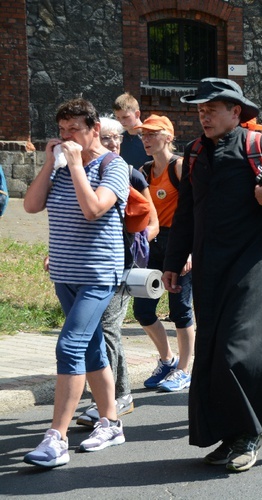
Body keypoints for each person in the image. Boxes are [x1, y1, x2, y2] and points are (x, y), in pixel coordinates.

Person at [163, 78, 262, 472]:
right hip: (208, 267)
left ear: (236, 112)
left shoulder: (258, 146)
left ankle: (250, 433)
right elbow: (186, 212)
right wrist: (172, 261)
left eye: (211, 109)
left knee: (237, 351)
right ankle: (231, 435)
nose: (204, 116)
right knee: (213, 354)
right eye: (199, 110)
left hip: (251, 266)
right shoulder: (195, 151)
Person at [22, 98, 130, 467]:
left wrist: (77, 164)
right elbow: (31, 206)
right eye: (62, 130)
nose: (67, 137)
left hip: (99, 274)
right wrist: (51, 161)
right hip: (66, 273)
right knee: (91, 348)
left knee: (69, 346)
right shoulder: (61, 166)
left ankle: (57, 438)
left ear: (94, 129)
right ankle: (111, 422)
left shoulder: (114, 166)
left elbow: (93, 209)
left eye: (75, 130)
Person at [74, 116, 159, 427]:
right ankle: (107, 397)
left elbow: (153, 225)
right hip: (92, 267)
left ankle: (121, 397)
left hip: (123, 267)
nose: (110, 144)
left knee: (108, 328)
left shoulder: (132, 175)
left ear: (122, 142)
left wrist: (129, 244)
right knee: (94, 330)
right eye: (105, 139)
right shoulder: (85, 174)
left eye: (115, 139)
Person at [132, 114, 196, 392]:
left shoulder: (179, 167)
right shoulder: (143, 171)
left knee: (180, 309)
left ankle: (185, 368)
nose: (146, 140)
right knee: (142, 309)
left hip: (179, 241)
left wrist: (190, 250)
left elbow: (196, 210)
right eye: (143, 135)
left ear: (168, 137)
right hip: (152, 242)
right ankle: (167, 360)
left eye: (152, 134)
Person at [113, 92, 151, 170]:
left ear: (137, 114)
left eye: (125, 117)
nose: (121, 121)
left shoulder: (151, 136)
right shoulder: (119, 139)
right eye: (118, 117)